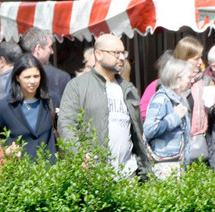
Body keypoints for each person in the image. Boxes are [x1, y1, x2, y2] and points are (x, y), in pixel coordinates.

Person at [57, 33, 151, 179]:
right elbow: (66, 125)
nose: (121, 57)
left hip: (128, 174)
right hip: (94, 175)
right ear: (98, 55)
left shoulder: (128, 89)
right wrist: (80, 155)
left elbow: (137, 133)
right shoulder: (77, 86)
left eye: (123, 53)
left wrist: (143, 171)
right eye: (116, 53)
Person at [0, 55, 57, 162]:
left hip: (50, 173)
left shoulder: (50, 101)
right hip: (20, 172)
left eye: (36, 76)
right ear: (17, 77)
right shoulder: (4, 106)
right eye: (27, 77)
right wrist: (4, 151)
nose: (32, 81)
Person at [143, 56, 194, 178]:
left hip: (176, 164)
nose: (191, 81)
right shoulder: (161, 98)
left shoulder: (179, 99)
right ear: (178, 78)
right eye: (189, 77)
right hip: (164, 166)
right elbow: (149, 129)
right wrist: (175, 117)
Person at [173, 36, 210, 165]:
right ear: (184, 59)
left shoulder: (204, 81)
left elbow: (212, 117)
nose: (200, 62)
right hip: (177, 149)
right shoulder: (170, 84)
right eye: (196, 59)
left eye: (201, 57)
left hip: (201, 147)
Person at [21, 27, 71, 104]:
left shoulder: (13, 74)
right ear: (38, 49)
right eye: (50, 47)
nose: (52, 51)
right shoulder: (61, 77)